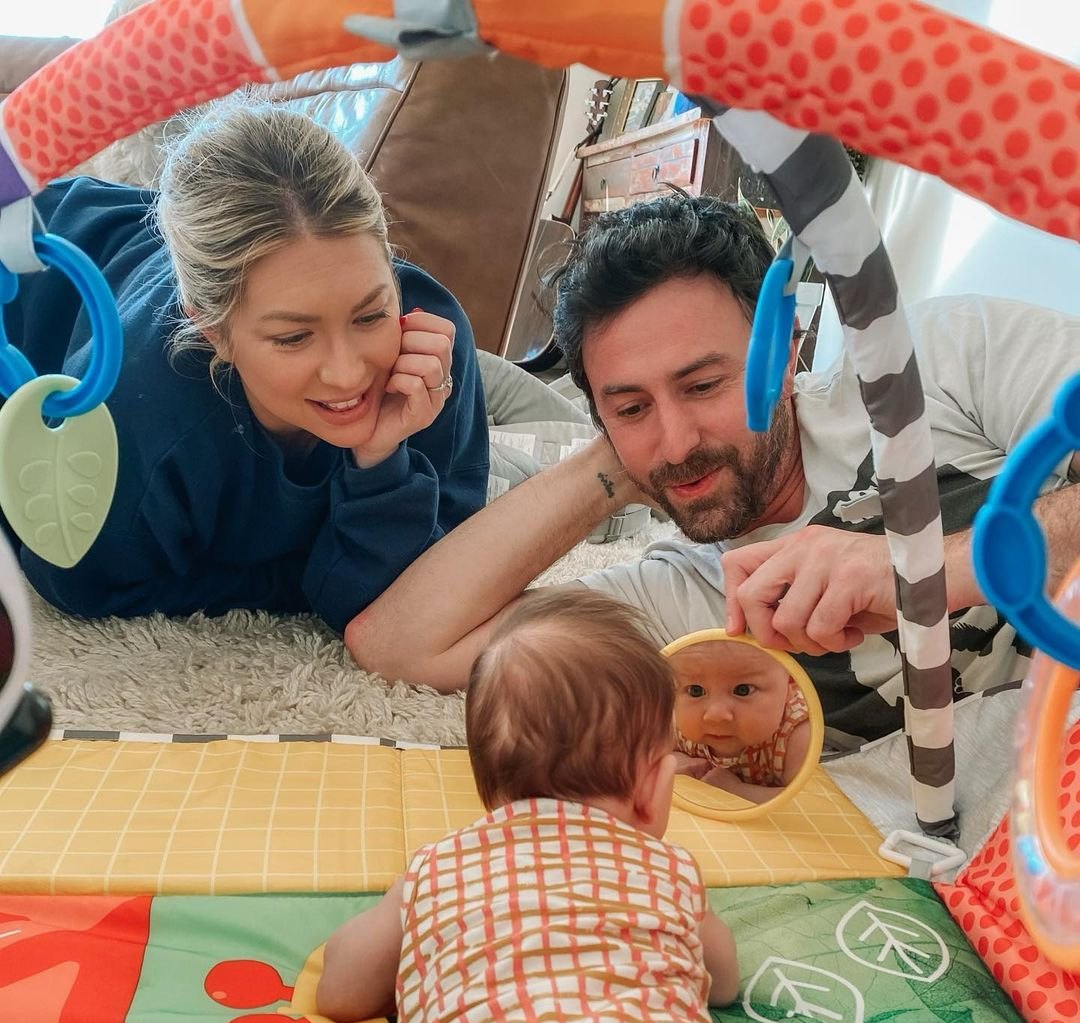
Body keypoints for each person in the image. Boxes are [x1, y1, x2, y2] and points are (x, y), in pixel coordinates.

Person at [348, 192, 1080, 742]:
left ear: (786, 352)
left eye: (702, 386)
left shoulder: (929, 361)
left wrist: (932, 569)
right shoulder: (690, 601)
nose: (676, 443)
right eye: (630, 407)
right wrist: (615, 463)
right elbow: (401, 644)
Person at [3, 99, 488, 633]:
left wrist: (381, 461)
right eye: (294, 336)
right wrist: (303, 577)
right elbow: (75, 579)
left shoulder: (432, 344)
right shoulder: (139, 412)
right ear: (213, 331)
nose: (348, 374)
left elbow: (424, 585)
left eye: (370, 315)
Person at [317, 591, 749, 1023]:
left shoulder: (438, 868)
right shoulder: (668, 869)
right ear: (654, 786)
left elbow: (341, 994)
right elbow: (724, 984)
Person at [668, 640, 811, 803]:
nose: (716, 715)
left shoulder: (796, 734)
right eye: (696, 691)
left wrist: (735, 790)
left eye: (743, 690)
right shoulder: (677, 720)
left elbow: (806, 803)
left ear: (790, 687)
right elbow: (643, 756)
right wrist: (678, 760)